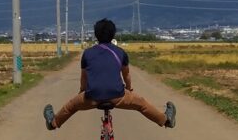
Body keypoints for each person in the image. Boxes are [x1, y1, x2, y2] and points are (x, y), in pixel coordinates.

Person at [43, 18, 176, 130]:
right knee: (141, 104)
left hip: (92, 97)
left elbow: (84, 77)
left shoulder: (88, 53)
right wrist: (129, 89)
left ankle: (53, 123)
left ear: (96, 35)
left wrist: (82, 92)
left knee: (70, 106)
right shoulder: (120, 52)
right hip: (118, 96)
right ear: (113, 35)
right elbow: (126, 75)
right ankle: (166, 120)